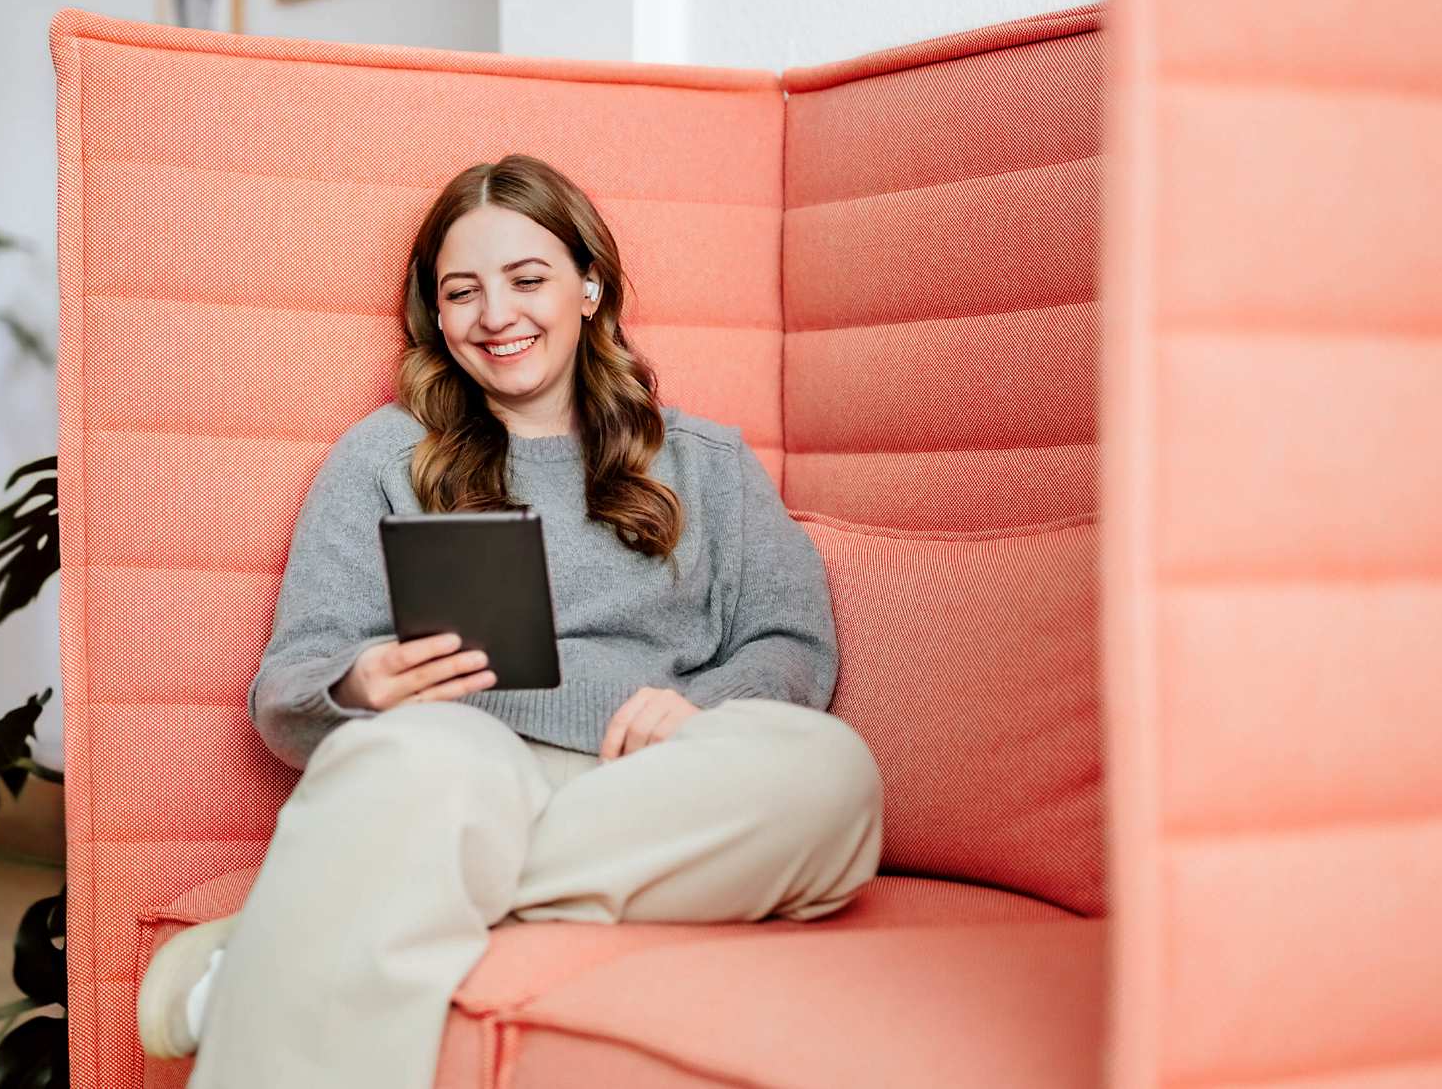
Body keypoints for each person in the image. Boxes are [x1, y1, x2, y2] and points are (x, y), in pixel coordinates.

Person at [136, 153, 884, 1088]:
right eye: (463, 292)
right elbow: (286, 687)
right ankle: (370, 881)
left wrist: (703, 706)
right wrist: (363, 681)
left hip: (658, 782)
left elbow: (794, 641)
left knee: (835, 778)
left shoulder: (707, 463)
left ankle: (294, 925)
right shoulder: (382, 458)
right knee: (424, 767)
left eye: (527, 279)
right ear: (435, 313)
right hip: (458, 770)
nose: (496, 315)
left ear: (589, 285)